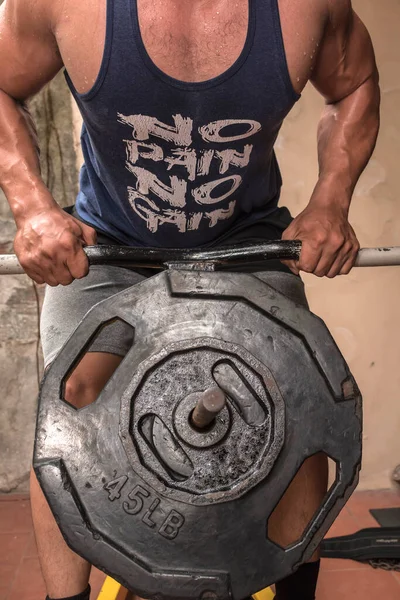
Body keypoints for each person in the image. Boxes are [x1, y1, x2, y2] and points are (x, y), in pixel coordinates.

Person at [0, 0, 380, 598]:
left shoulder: (306, 7)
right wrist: (31, 207)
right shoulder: (64, 5)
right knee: (69, 403)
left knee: (294, 398)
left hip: (243, 243)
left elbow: (355, 83)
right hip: (113, 247)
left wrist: (332, 201)